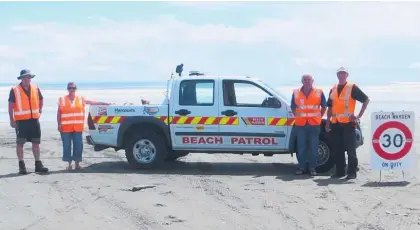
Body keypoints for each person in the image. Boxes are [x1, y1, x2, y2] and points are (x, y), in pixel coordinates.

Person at [325, 67, 370, 179]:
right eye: (339, 73)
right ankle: (340, 172)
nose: (341, 75)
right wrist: (327, 122)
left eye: (343, 73)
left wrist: (358, 115)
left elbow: (366, 100)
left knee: (351, 150)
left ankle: (351, 173)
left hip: (348, 124)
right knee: (337, 149)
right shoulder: (333, 89)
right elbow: (329, 107)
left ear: (347, 75)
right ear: (337, 75)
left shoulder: (352, 87)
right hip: (335, 123)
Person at [57, 82, 110, 170]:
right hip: (65, 128)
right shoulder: (62, 99)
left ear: (76, 89)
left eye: (73, 88)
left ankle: (77, 164)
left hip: (77, 127)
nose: (72, 90)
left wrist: (104, 103)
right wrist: (59, 124)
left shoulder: (81, 98)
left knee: (78, 145)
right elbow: (59, 113)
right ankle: (69, 165)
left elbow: (92, 102)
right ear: (67, 89)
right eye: (70, 88)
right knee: (67, 146)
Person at [8, 69, 49, 174]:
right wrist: (12, 120)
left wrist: (39, 111)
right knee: (20, 144)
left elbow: (41, 100)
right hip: (21, 122)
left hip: (34, 121)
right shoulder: (15, 90)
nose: (27, 79)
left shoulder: (35, 88)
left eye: (29, 77)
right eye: (25, 77)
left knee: (36, 143)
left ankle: (38, 164)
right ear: (21, 78)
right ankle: (22, 166)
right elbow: (10, 106)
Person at [291, 74, 327, 176]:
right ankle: (301, 167)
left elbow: (324, 106)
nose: (307, 81)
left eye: (309, 79)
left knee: (313, 147)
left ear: (312, 81)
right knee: (301, 147)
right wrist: (298, 116)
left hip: (314, 124)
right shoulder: (296, 92)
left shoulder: (319, 92)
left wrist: (319, 117)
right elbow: (293, 107)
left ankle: (312, 168)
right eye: (305, 79)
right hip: (301, 124)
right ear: (302, 81)